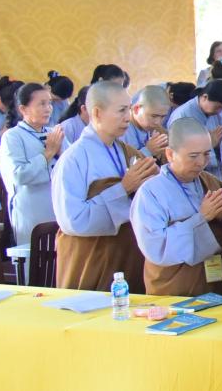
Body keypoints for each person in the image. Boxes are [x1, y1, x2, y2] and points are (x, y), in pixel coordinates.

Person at [51, 80, 155, 291]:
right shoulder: (73, 159)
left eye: (129, 109)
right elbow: (73, 221)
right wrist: (123, 188)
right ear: (97, 113)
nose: (128, 117)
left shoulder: (124, 150)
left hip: (126, 254)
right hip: (91, 258)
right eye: (121, 110)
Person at [131, 116, 222, 296]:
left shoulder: (210, 182)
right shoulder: (151, 192)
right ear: (170, 154)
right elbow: (155, 247)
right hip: (174, 286)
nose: (201, 162)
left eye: (206, 154)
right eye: (193, 156)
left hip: (214, 281)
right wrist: (201, 218)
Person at [0, 80, 64, 245]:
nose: (48, 108)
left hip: (57, 207)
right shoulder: (13, 137)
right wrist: (48, 153)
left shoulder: (53, 133)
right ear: (23, 109)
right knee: (34, 264)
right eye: (42, 104)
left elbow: (71, 167)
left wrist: (61, 152)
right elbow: (19, 175)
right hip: (31, 210)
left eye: (49, 103)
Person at [168, 80, 222, 179]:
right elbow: (180, 152)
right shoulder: (182, 115)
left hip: (216, 171)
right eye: (218, 107)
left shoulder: (216, 113)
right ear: (205, 97)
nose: (220, 111)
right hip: (190, 172)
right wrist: (209, 145)